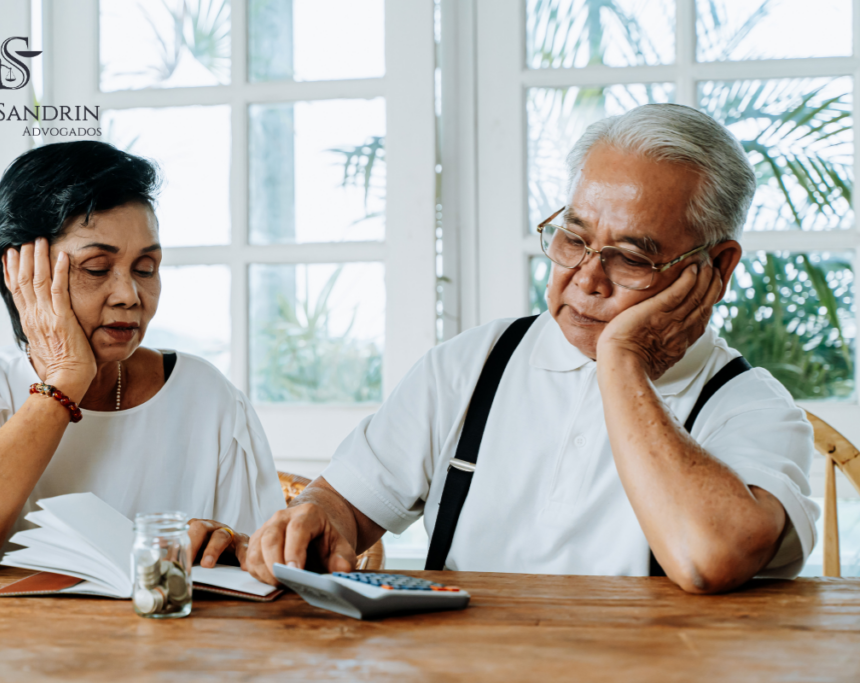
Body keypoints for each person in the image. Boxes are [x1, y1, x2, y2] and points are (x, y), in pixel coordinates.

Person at [245, 104, 819, 594]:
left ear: (715, 270)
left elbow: (707, 558)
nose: (586, 279)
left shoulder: (754, 409)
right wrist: (316, 518)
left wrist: (620, 362)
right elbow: (344, 503)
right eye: (575, 237)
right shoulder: (472, 363)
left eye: (632, 257)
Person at [0, 141, 285, 575]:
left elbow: (263, 565)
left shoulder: (206, 397)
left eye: (146, 268)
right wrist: (64, 379)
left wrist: (231, 546)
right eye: (95, 268)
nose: (130, 296)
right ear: (19, 272)